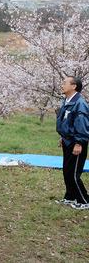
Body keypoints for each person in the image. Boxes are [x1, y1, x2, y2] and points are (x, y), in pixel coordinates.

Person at [55, 76, 89, 209]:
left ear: (74, 86)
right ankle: (70, 197)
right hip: (67, 141)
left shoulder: (80, 103)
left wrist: (79, 142)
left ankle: (84, 200)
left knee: (74, 173)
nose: (62, 85)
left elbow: (82, 125)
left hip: (76, 143)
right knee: (67, 171)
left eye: (64, 83)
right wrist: (62, 137)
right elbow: (66, 121)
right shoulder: (67, 101)